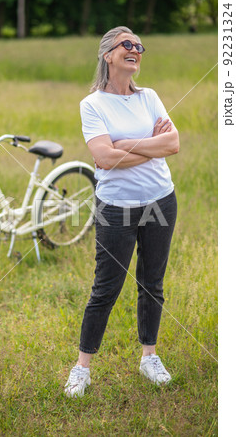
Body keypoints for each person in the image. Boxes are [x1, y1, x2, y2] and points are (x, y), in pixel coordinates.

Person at [64, 26, 179, 398]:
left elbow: (173, 143)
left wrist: (127, 143)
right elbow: (104, 158)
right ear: (108, 55)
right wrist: (150, 144)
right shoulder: (92, 104)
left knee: (152, 282)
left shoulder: (150, 97)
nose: (135, 49)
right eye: (126, 44)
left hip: (161, 200)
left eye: (139, 45)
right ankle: (82, 368)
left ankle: (149, 357)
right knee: (106, 287)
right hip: (116, 209)